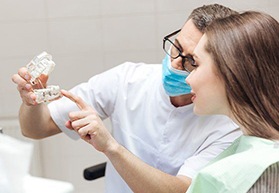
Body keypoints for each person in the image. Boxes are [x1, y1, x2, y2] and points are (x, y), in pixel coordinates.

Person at [12, 4, 242, 193]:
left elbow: (183, 190)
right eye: (176, 47)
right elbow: (36, 129)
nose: (175, 64)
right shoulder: (128, 79)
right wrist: (31, 102)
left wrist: (111, 147)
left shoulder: (229, 124)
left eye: (192, 60)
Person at [185, 11, 279, 193]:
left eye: (195, 64)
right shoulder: (253, 147)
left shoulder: (242, 175)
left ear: (230, 70)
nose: (188, 79)